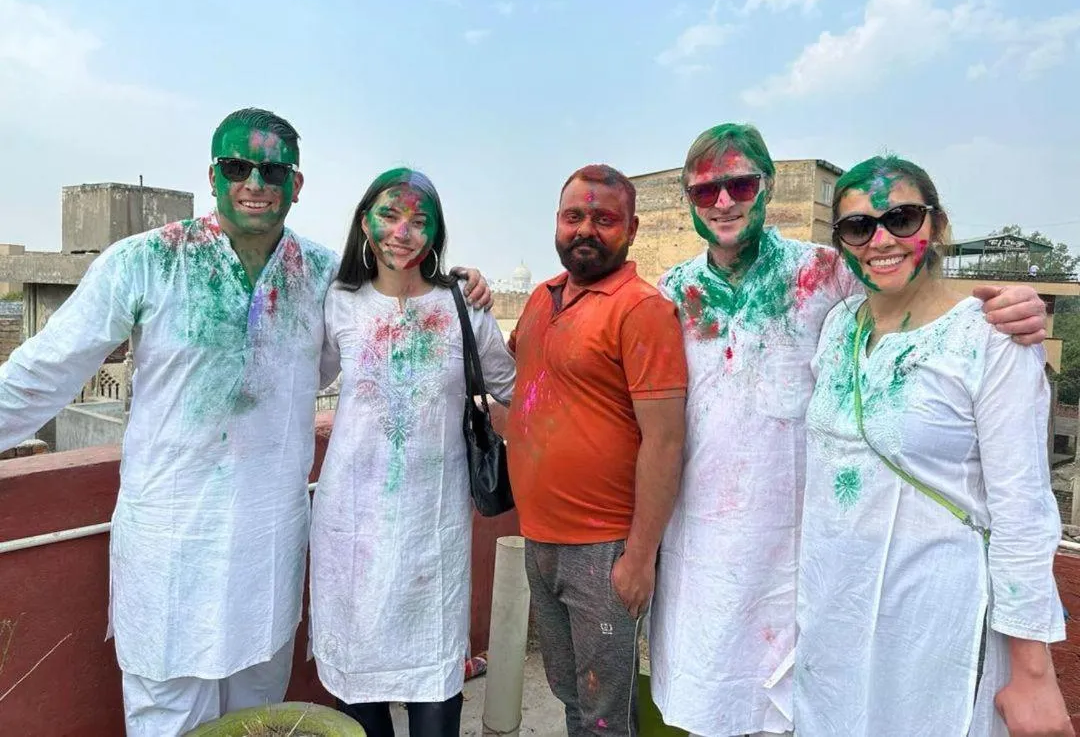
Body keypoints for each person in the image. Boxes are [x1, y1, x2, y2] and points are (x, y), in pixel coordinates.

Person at [0, 109, 491, 737]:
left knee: (261, 717)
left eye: (272, 171)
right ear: (213, 175)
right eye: (237, 167)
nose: (254, 183)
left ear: (296, 184)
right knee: (169, 716)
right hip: (171, 546)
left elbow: (390, 315)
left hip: (269, 548)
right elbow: (44, 371)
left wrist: (462, 284)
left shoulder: (323, 278)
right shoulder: (146, 261)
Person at [647, 124, 1050, 737]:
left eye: (741, 184)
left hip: (811, 568)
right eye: (705, 191)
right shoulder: (672, 294)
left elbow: (914, 297)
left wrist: (1008, 304)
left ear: (769, 186)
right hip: (711, 556)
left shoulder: (824, 273)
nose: (724, 201)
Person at [795, 156, 1072, 737]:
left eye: (901, 218)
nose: (881, 240)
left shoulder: (990, 339)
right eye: (858, 227)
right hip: (834, 615)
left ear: (937, 225)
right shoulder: (838, 326)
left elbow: (1022, 508)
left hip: (938, 627)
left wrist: (1033, 673)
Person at [312, 168, 515, 737]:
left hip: (433, 535)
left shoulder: (463, 306)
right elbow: (300, 378)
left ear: (436, 233)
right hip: (351, 535)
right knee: (358, 691)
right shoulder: (339, 302)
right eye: (390, 215)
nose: (403, 232)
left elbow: (514, 387)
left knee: (435, 685)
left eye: (419, 220)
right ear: (364, 223)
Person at [505, 164, 689, 737]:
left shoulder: (642, 309)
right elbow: (529, 390)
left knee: (605, 710)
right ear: (557, 223)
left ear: (631, 229)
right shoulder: (541, 299)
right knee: (569, 692)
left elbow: (665, 441)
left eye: (604, 219)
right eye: (574, 216)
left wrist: (639, 557)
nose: (585, 229)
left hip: (604, 549)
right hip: (541, 537)